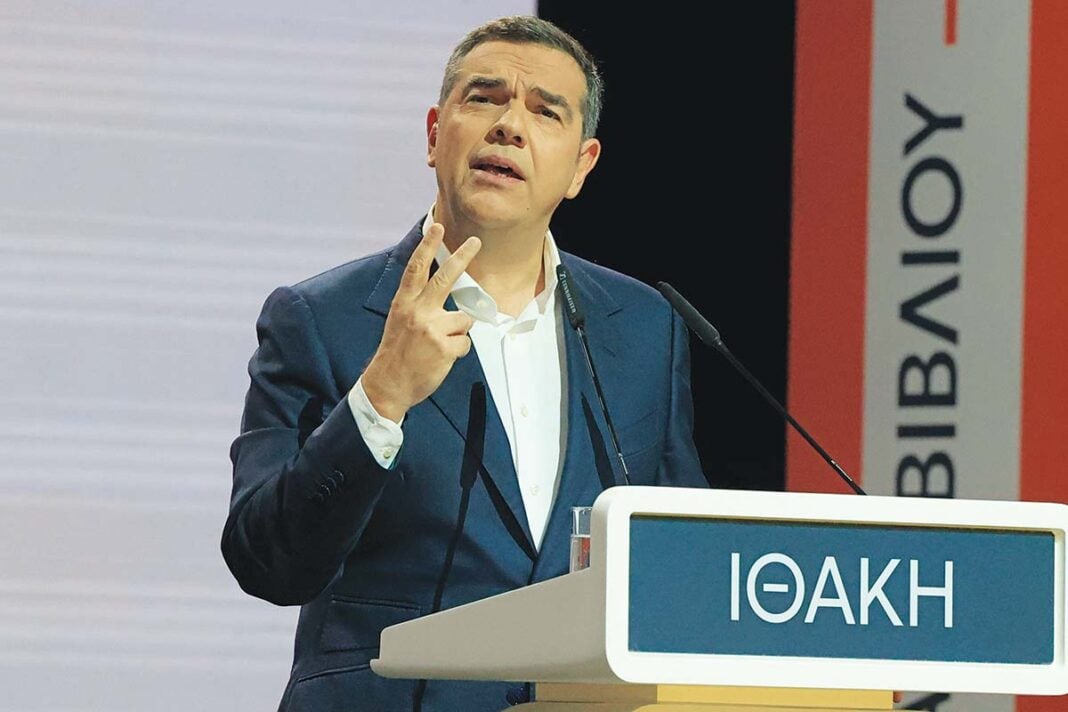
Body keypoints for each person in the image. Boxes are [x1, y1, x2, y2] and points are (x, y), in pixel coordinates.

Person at [222, 15, 707, 712]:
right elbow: (267, 561)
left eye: (545, 111)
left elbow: (682, 555)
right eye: (484, 98)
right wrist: (382, 395)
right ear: (433, 135)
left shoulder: (642, 327)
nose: (509, 126)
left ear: (582, 166)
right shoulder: (320, 319)